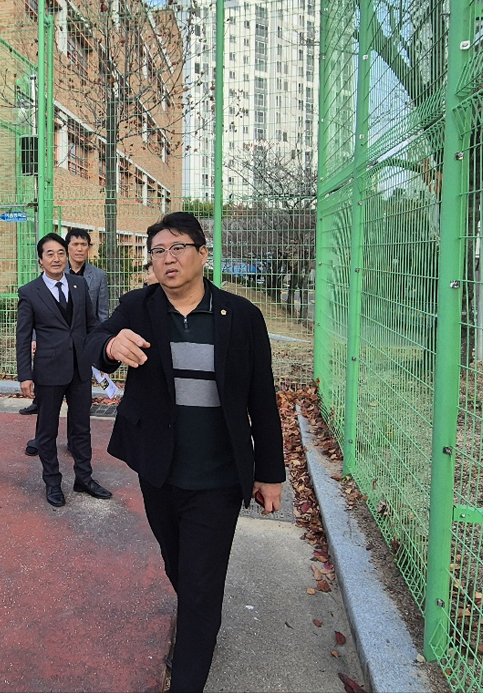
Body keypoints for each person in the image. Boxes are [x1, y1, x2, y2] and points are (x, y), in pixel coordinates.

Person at [86, 211, 286, 693]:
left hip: (218, 475)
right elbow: (91, 341)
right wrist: (111, 344)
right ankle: (200, 620)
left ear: (202, 253)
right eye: (157, 251)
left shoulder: (241, 316)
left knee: (200, 585)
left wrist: (270, 473)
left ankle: (190, 671)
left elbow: (262, 395)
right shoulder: (139, 306)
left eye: (177, 248)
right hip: (159, 469)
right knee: (178, 564)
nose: (166, 259)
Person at [16, 233, 113, 507]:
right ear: (40, 260)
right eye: (50, 254)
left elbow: (92, 325)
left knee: (81, 428)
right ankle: (53, 483)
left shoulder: (79, 285)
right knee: (46, 431)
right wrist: (25, 375)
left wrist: (101, 361)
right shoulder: (29, 292)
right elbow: (23, 337)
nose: (57, 258)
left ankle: (84, 478)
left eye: (60, 252)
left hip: (80, 369)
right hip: (48, 371)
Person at [21, 228, 112, 417]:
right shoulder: (36, 287)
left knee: (80, 416)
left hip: (81, 355)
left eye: (83, 245)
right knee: (48, 414)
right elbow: (33, 323)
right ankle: (42, 439)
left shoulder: (94, 278)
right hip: (51, 358)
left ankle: (78, 446)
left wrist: (100, 349)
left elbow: (99, 316)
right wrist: (26, 372)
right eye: (74, 245)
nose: (79, 249)